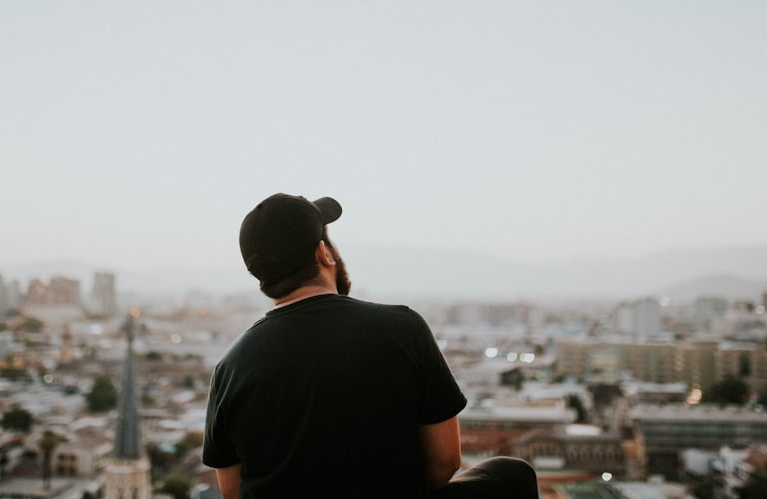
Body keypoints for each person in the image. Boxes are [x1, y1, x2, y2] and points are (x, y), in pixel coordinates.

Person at [203, 193, 539, 499]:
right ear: (323, 253)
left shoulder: (230, 368)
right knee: (512, 475)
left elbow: (232, 492)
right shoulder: (402, 329)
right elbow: (445, 463)